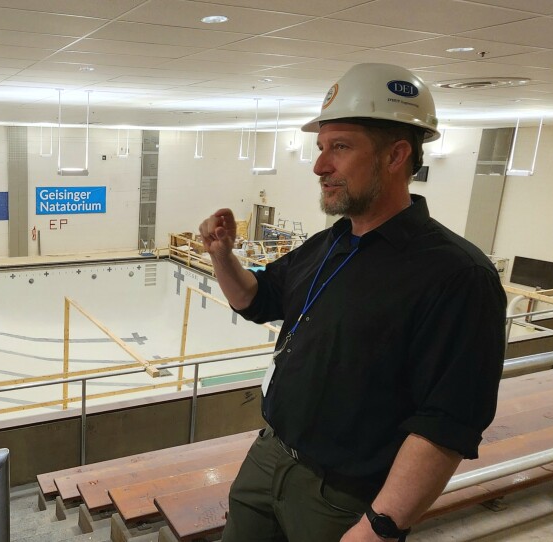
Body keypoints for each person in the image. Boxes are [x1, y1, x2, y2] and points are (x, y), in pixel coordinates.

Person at [199, 63, 506, 542]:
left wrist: (381, 526)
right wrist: (222, 256)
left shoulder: (457, 276)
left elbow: (448, 423)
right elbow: (257, 300)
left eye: (339, 148)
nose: (320, 165)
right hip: (269, 458)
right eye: (321, 148)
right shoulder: (329, 245)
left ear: (396, 155)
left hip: (342, 497)